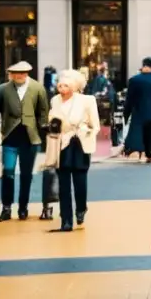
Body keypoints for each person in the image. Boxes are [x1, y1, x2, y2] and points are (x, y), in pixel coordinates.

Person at [0, 61, 49, 222]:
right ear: (11, 74)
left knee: (26, 175)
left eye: (23, 73)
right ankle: (6, 208)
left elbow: (43, 113)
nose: (20, 76)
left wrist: (46, 135)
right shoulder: (1, 89)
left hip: (30, 139)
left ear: (28, 73)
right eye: (16, 74)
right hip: (10, 137)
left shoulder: (38, 88)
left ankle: (23, 207)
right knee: (8, 173)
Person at [45, 69, 99, 231]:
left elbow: (95, 125)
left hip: (80, 143)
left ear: (75, 86)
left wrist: (85, 131)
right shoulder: (55, 101)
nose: (61, 88)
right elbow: (52, 119)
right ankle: (66, 220)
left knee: (80, 181)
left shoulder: (87, 100)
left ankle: (81, 209)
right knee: (63, 184)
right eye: (60, 85)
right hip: (62, 143)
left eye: (66, 85)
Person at [123, 57, 151, 162]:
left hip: (137, 112)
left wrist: (126, 114)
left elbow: (129, 99)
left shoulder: (134, 80)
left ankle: (138, 153)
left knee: (137, 133)